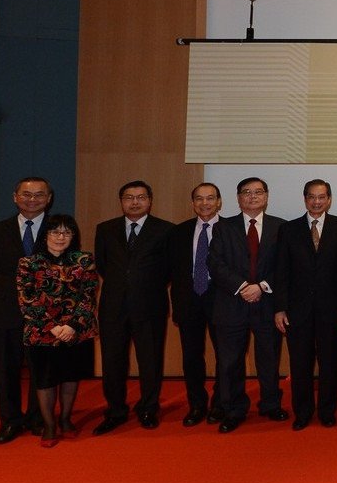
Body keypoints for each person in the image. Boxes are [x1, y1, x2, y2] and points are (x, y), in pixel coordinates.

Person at [207, 177, 289, 434]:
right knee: (230, 361)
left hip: (267, 303)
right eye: (246, 192)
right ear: (238, 197)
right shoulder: (223, 227)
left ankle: (270, 403)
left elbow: (286, 267)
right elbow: (215, 263)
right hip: (232, 303)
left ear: (266, 196)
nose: (252, 197)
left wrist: (262, 286)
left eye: (258, 192)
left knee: (269, 357)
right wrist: (243, 286)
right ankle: (233, 409)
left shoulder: (281, 227)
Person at [91, 181, 174, 435]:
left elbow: (169, 268)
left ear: (150, 200)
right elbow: (104, 265)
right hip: (113, 306)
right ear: (121, 201)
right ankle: (115, 410)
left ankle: (148, 408)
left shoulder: (165, 230)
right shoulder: (105, 229)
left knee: (150, 361)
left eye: (140, 197)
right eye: (129, 197)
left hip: (150, 306)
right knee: (113, 361)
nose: (135, 202)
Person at [273, 179, 337, 430]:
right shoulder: (289, 229)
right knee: (300, 363)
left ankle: (328, 410)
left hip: (332, 308)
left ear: (329, 199)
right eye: (311, 197)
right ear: (305, 199)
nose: (316, 202)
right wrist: (280, 307)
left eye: (322, 197)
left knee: (330, 363)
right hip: (297, 310)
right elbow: (281, 272)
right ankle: (303, 412)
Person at [0, 177, 51, 444]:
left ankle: (37, 417)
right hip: (5, 309)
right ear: (15, 197)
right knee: (6, 369)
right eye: (26, 194)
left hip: (45, 312)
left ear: (49, 197)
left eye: (39, 194)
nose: (32, 199)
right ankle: (9, 421)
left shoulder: (60, 228)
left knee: (41, 369)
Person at [16, 214, 98, 448]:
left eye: (66, 232)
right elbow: (26, 300)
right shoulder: (28, 263)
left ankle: (65, 419)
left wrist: (71, 326)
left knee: (71, 377)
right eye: (55, 232)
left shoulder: (84, 260)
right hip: (41, 332)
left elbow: (88, 296)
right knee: (45, 380)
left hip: (76, 331)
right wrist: (53, 327)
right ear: (45, 235)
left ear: (73, 236)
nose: (60, 237)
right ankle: (50, 425)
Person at [167, 183, 222, 426]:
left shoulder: (231, 229)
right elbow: (174, 272)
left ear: (219, 202)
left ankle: (221, 404)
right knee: (191, 357)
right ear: (193, 203)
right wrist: (177, 305)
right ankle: (197, 404)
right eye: (199, 199)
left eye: (210, 198)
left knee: (226, 356)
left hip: (222, 300)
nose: (205, 203)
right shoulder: (179, 232)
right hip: (190, 301)